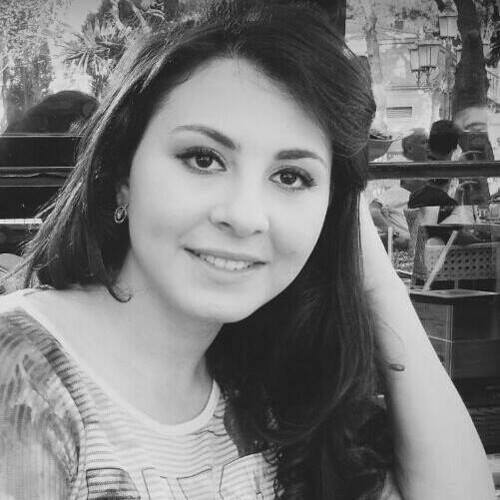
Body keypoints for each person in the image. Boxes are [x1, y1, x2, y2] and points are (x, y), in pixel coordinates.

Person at [0, 2, 494, 499]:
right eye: (203, 159)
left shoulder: (268, 384)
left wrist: (376, 280)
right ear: (122, 175)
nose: (245, 216)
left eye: (291, 177)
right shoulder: (23, 378)